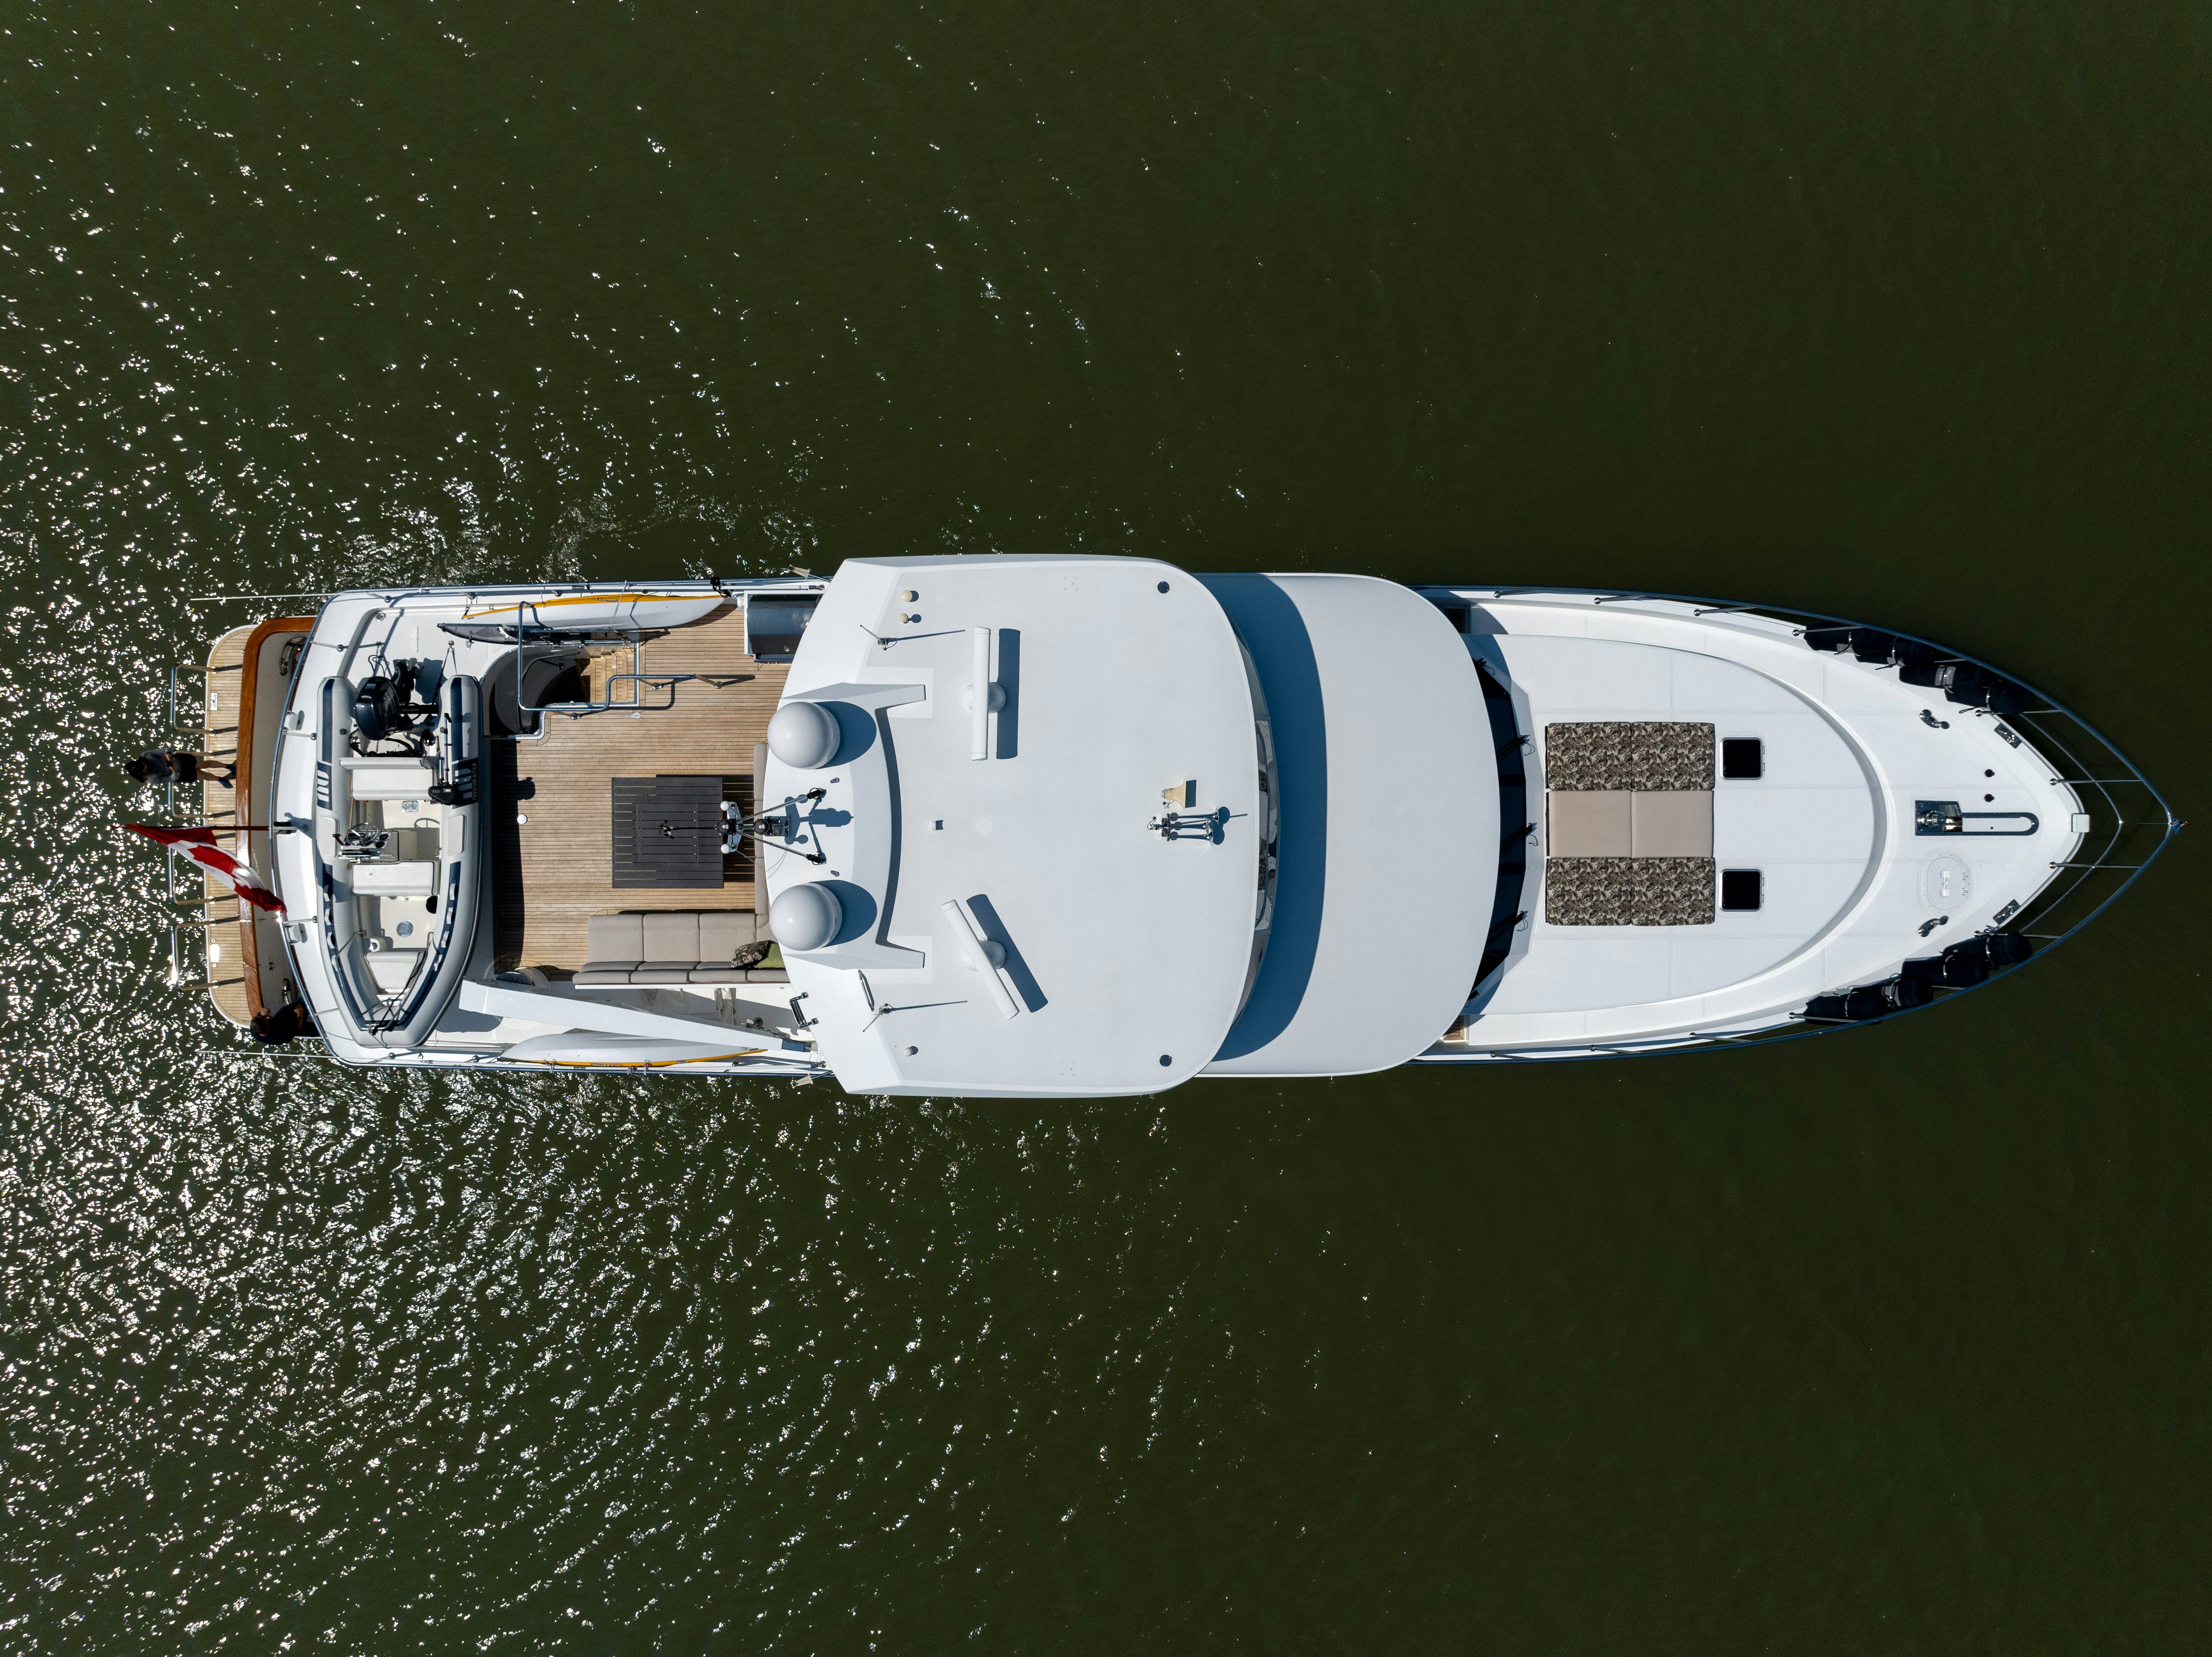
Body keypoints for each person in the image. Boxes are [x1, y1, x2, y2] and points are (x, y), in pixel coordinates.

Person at [127, 749, 235, 789]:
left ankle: (228, 766)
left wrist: (168, 754)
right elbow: (171, 779)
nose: (147, 767)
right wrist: (174, 770)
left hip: (181, 760)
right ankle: (220, 779)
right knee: (204, 776)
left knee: (206, 764)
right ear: (142, 774)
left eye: (144, 765)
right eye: (144, 769)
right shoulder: (151, 779)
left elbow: (164, 750)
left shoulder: (146, 756)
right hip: (181, 775)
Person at [249, 1000, 318, 1046]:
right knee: (318, 1030)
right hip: (290, 1029)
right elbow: (297, 1029)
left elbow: (261, 1016)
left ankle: (308, 998)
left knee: (303, 1002)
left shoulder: (255, 1027)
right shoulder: (278, 1037)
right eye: (266, 1021)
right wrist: (300, 1014)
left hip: (279, 1019)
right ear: (268, 1027)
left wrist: (263, 1013)